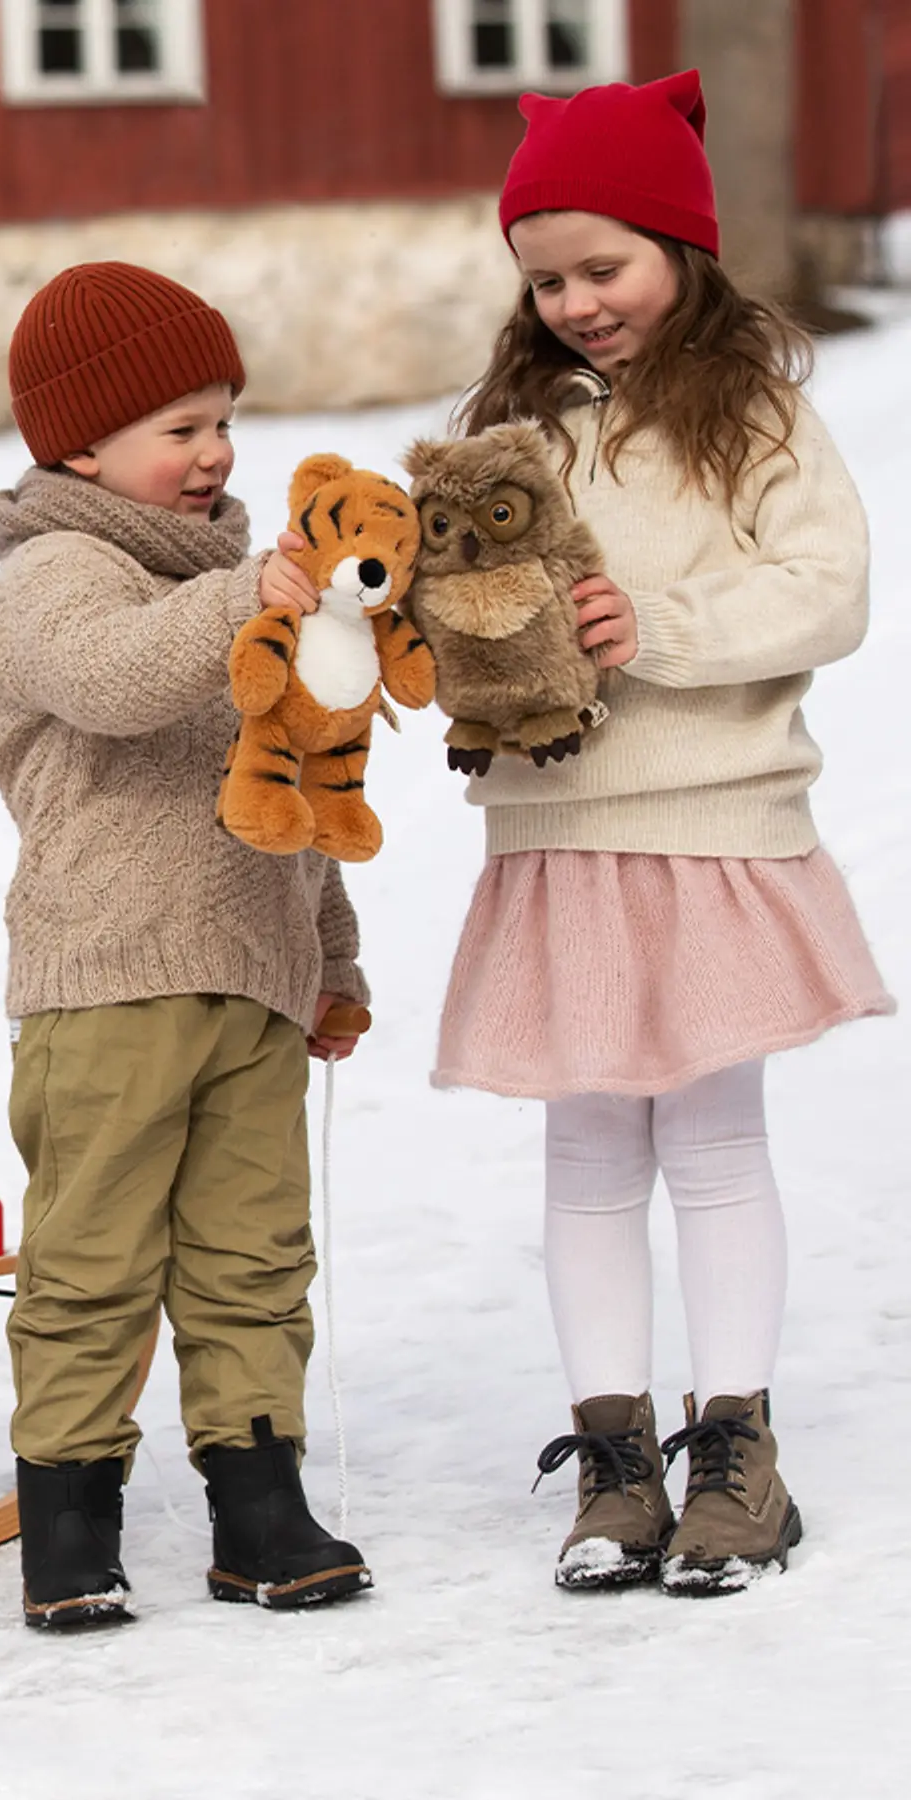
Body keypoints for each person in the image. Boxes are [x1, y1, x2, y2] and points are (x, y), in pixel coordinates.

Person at [432, 72, 894, 1595]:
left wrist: (660, 626)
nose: (576, 304)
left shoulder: (754, 414)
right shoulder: (516, 433)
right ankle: (616, 1463)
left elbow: (826, 590)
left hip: (710, 827)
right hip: (559, 830)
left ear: (681, 248)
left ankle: (737, 1451)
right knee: (585, 1147)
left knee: (709, 1138)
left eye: (603, 267)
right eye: (546, 280)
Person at [0, 260, 372, 1629]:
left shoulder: (243, 586)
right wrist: (248, 600)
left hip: (254, 980)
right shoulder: (53, 575)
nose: (215, 454)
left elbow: (295, 782)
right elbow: (113, 680)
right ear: (81, 445)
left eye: (225, 423)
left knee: (253, 1254)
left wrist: (331, 957)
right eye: (181, 429)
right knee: (92, 1259)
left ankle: (259, 1504)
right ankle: (68, 1519)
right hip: (110, 986)